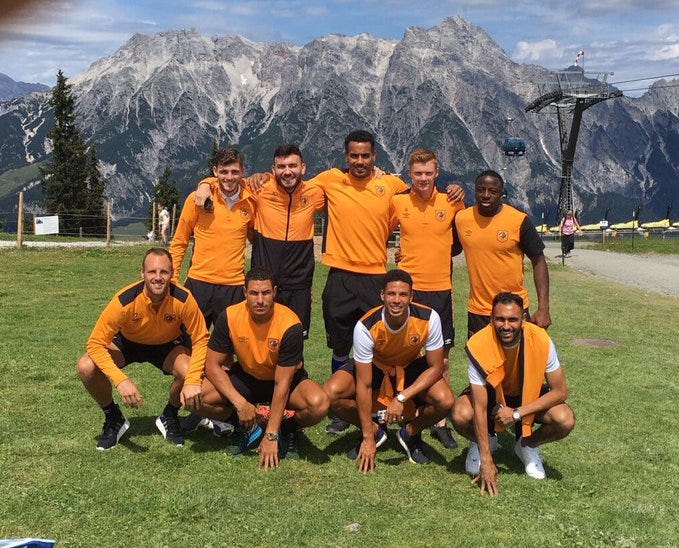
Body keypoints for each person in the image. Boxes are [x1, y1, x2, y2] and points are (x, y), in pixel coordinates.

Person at [76, 248, 210, 450]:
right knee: (86, 366)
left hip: (167, 345)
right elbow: (95, 343)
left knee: (190, 370)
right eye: (152, 271)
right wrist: (121, 380)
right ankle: (113, 417)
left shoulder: (183, 298)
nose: (158, 277)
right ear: (142, 273)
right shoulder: (124, 300)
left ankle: (170, 415)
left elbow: (201, 338)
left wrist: (192, 380)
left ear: (172, 273)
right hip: (128, 342)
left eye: (164, 272)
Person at [195, 267, 329, 468]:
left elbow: (282, 383)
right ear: (244, 292)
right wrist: (241, 404)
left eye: (265, 293)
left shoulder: (290, 323)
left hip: (284, 380)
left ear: (274, 292)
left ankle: (287, 429)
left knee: (319, 404)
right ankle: (244, 425)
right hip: (247, 377)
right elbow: (212, 365)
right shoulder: (230, 316)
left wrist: (271, 435)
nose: (260, 300)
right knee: (196, 397)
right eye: (254, 293)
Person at [324, 269, 455, 472]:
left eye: (403, 294)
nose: (396, 300)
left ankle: (410, 433)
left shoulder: (429, 317)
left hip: (410, 365)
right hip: (376, 366)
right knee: (330, 394)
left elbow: (436, 367)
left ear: (411, 296)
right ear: (382, 295)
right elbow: (365, 384)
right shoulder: (365, 325)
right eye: (391, 294)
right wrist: (368, 437)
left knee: (445, 400)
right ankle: (374, 430)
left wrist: (401, 398)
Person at [195, 144, 324, 338]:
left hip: (299, 285)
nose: (287, 172)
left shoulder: (315, 192)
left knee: (294, 340)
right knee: (258, 338)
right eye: (281, 167)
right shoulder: (259, 187)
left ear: (303, 168)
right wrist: (205, 184)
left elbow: (342, 186)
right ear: (273, 169)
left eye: (292, 166)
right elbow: (229, 179)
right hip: (263, 282)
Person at [451, 292, 575, 495]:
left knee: (565, 418)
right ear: (491, 318)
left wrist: (517, 413)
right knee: (460, 413)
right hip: (493, 398)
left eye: (513, 319)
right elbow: (480, 408)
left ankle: (527, 445)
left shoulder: (541, 339)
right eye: (500, 319)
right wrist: (487, 460)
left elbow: (560, 391)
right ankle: (483, 442)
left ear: (523, 319)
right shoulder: (478, 344)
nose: (506, 326)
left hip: (527, 396)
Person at [390, 147, 464, 449]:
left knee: (442, 357)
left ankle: (440, 421)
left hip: (440, 289)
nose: (423, 178)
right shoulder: (398, 201)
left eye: (428, 173)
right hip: (409, 291)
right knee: (408, 355)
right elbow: (379, 231)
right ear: (410, 174)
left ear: (437, 173)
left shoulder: (452, 201)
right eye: (418, 173)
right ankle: (410, 411)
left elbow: (459, 244)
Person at [454, 169, 551, 338]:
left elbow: (539, 260)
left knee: (517, 355)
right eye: (481, 190)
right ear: (474, 191)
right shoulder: (461, 219)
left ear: (501, 193)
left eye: (492, 191)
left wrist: (544, 308)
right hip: (479, 310)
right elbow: (450, 248)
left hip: (513, 309)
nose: (486, 195)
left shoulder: (518, 220)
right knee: (478, 355)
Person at [169, 147, 255, 329]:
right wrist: (173, 280)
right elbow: (179, 242)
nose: (229, 177)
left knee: (230, 344)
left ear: (242, 172)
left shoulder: (250, 202)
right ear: (215, 171)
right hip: (199, 282)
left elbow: (257, 240)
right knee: (189, 341)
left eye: (234, 172)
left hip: (234, 286)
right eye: (224, 171)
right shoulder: (197, 199)